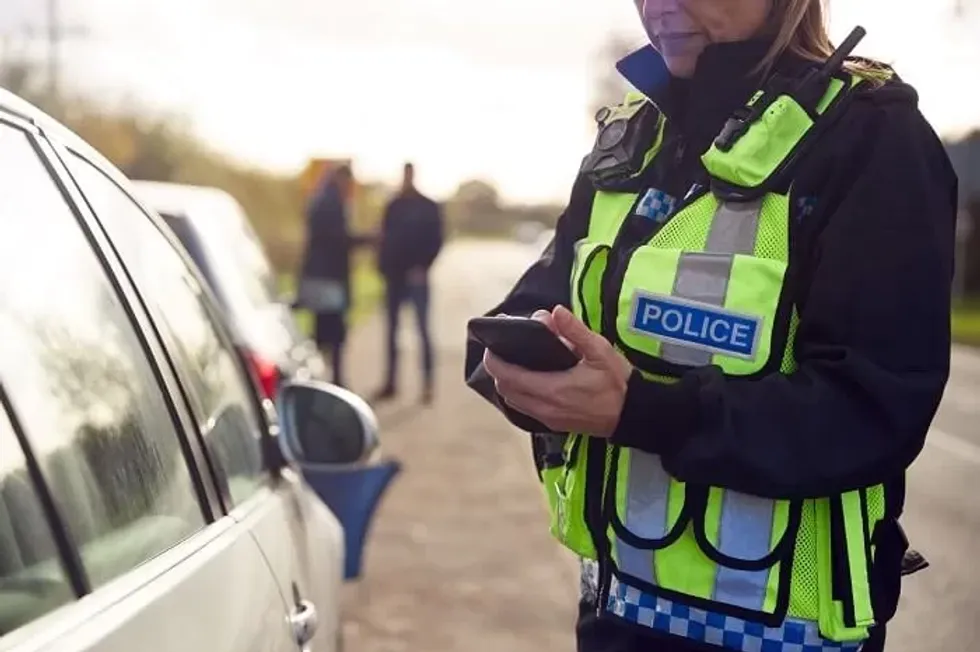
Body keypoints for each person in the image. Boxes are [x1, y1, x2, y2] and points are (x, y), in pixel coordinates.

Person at [464, 1, 957, 651]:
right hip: (615, 618)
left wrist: (644, 411)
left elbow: (872, 408)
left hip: (791, 637)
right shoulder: (632, 134)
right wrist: (524, 373)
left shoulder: (871, 137)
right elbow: (537, 303)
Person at [375, 162, 444, 404]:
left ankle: (427, 385)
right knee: (391, 332)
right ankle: (391, 383)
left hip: (417, 277)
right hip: (394, 277)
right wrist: (382, 269)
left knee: (422, 331)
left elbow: (437, 240)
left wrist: (423, 267)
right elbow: (384, 238)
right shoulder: (393, 205)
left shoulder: (428, 206)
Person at [298, 164, 369, 387]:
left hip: (320, 276)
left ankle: (324, 380)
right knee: (333, 333)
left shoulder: (321, 200)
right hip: (329, 279)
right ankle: (330, 382)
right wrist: (367, 239)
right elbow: (338, 239)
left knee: (323, 331)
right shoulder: (332, 204)